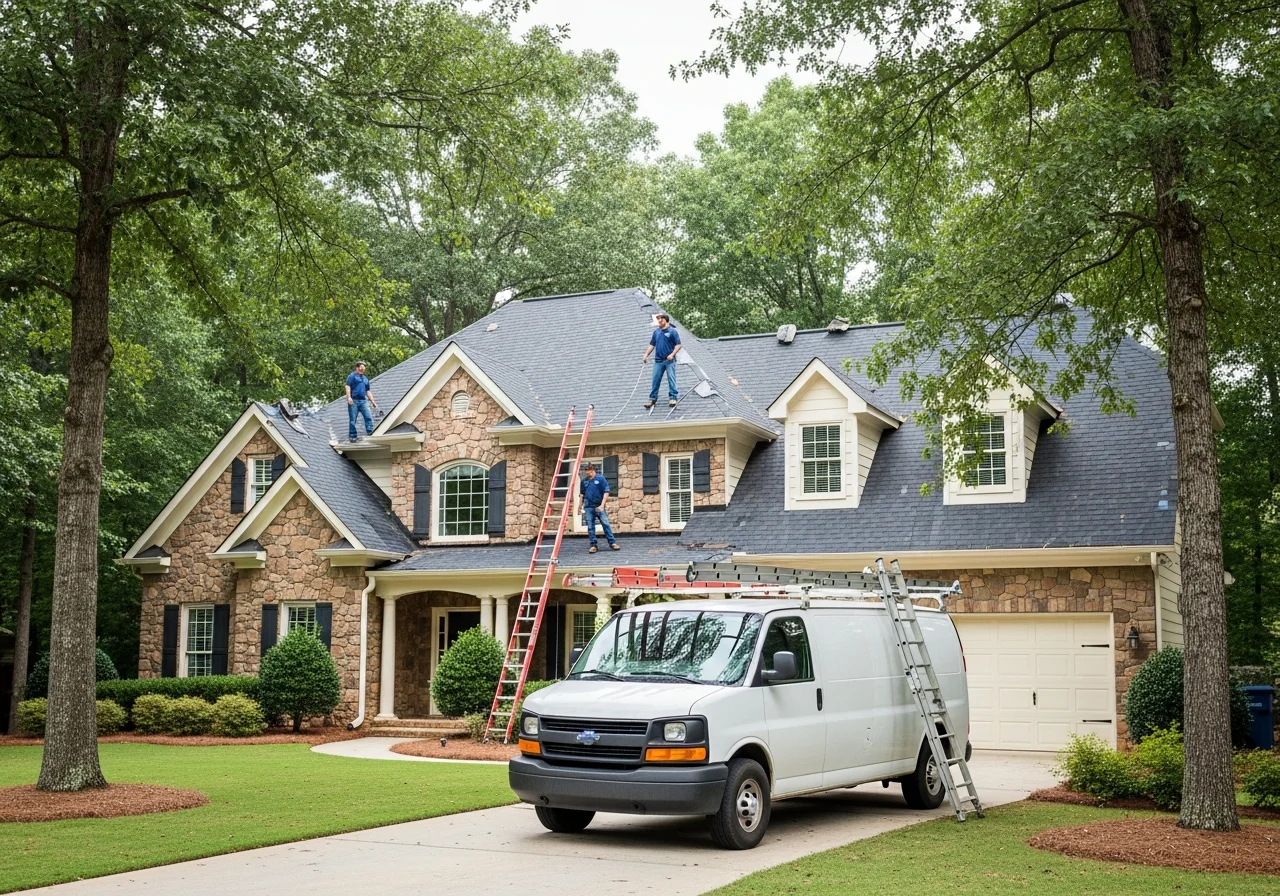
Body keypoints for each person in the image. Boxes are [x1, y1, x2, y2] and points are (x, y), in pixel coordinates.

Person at [642, 312, 681, 408]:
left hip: (669, 361)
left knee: (671, 378)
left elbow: (678, 345)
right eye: (658, 319)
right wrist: (646, 354)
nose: (659, 321)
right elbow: (652, 344)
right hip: (658, 361)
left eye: (661, 319)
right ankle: (652, 399)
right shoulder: (656, 332)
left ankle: (673, 398)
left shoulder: (672, 332)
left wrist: (672, 354)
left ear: (666, 320)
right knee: (655, 379)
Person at [579, 463, 619, 553]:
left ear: (593, 470)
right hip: (588, 507)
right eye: (586, 470)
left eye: (588, 470)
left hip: (599, 506)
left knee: (606, 524)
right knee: (590, 526)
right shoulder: (584, 481)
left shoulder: (600, 479)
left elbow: (606, 491)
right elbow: (582, 495)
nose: (587, 472)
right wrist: (579, 506)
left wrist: (602, 505)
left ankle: (612, 542)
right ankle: (593, 545)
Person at [345, 361, 378, 442]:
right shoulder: (352, 376)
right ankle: (352, 436)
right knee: (353, 419)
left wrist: (372, 401)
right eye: (361, 368)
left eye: (363, 369)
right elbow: (347, 386)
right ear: (357, 368)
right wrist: (349, 397)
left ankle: (370, 431)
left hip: (363, 401)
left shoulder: (365, 379)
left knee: (368, 416)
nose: (362, 370)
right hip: (354, 401)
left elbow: (367, 391)